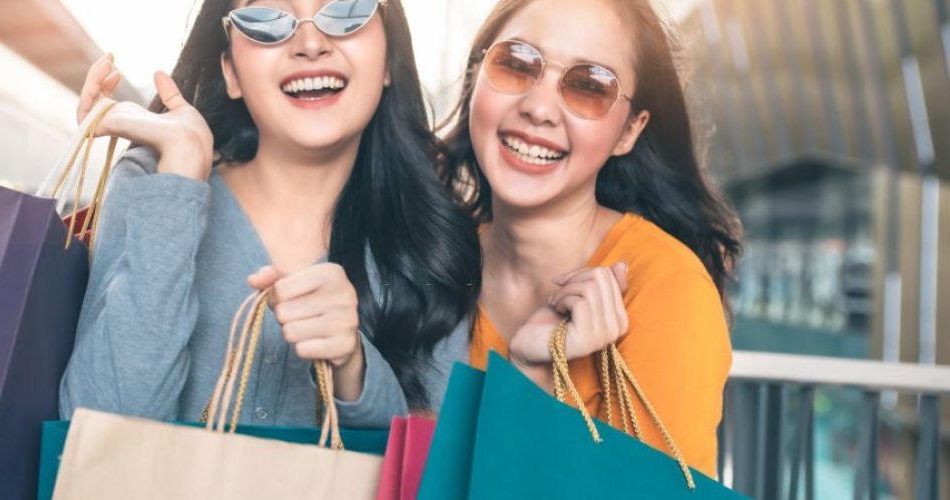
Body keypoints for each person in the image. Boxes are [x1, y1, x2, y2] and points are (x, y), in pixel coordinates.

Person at [59, 0, 481, 428]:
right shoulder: (154, 184)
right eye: (266, 19)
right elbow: (94, 432)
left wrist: (354, 370)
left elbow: (429, 470)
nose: (311, 43)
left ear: (388, 60)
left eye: (348, 9)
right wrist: (180, 175)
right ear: (231, 73)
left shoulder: (433, 239)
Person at [441, 0, 743, 477]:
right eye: (517, 63)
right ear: (477, 73)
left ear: (629, 131)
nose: (539, 108)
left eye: (589, 87)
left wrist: (535, 381)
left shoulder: (666, 291)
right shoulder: (430, 262)